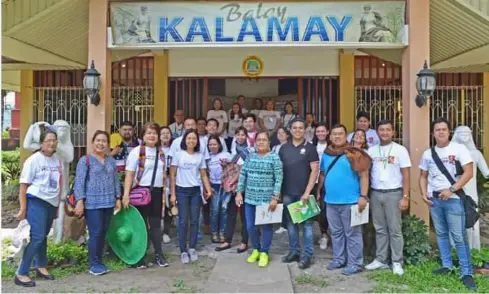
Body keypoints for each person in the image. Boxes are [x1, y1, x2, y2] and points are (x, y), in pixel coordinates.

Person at [419, 118, 476, 290]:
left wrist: (451, 189)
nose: (441, 132)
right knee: (442, 234)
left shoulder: (459, 149)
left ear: (449, 131)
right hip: (435, 200)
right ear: (433, 133)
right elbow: (423, 176)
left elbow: (469, 172)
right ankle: (447, 265)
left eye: (444, 129)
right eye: (437, 130)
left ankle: (466, 272)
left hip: (453, 199)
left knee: (458, 237)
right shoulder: (428, 153)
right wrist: (423, 194)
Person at [317, 124, 371, 276]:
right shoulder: (327, 154)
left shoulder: (354, 153)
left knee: (352, 233)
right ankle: (339, 259)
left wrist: (363, 196)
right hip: (331, 201)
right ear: (330, 136)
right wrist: (319, 191)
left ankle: (355, 263)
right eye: (334, 134)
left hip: (350, 201)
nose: (337, 136)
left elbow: (364, 176)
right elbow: (322, 174)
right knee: (336, 232)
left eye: (340, 134)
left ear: (346, 136)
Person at [15, 129, 62, 287]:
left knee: (44, 235)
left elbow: (59, 183)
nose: (52, 143)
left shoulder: (57, 160)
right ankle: (21, 273)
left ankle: (40, 266)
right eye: (48, 140)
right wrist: (23, 209)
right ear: (42, 143)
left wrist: (56, 206)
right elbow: (23, 186)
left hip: (51, 203)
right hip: (36, 201)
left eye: (54, 140)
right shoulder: (33, 160)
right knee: (38, 237)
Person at [365, 120, 410, 276]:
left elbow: (406, 174)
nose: (384, 132)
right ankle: (381, 259)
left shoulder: (400, 150)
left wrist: (405, 197)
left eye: (388, 130)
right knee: (380, 228)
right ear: (377, 132)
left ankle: (397, 261)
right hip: (376, 193)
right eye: (381, 130)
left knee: (395, 229)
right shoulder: (371, 150)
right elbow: (365, 172)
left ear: (393, 132)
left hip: (393, 193)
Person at [74, 130, 122, 276]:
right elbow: (79, 182)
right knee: (95, 233)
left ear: (108, 144)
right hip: (92, 203)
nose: (101, 143)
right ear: (93, 142)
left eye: (104, 141)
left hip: (108, 202)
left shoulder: (111, 161)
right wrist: (80, 201)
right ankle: (93, 264)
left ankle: (100, 261)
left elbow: (115, 181)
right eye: (98, 140)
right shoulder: (85, 160)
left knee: (103, 232)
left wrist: (118, 197)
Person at [122, 122, 169, 268]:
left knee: (156, 225)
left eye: (154, 133)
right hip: (141, 193)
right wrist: (126, 195)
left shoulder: (161, 152)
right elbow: (129, 174)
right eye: (149, 133)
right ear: (143, 135)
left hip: (157, 192)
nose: (152, 135)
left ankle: (158, 254)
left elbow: (164, 174)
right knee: (140, 225)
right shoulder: (137, 151)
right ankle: (139, 257)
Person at [236, 131, 283, 267]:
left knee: (267, 227)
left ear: (269, 142)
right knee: (250, 226)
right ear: (255, 142)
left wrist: (275, 198)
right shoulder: (251, 157)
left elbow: (279, 179)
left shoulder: (274, 158)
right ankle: (256, 249)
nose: (261, 142)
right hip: (250, 198)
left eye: (264, 140)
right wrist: (239, 192)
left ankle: (264, 252)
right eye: (259, 140)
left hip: (267, 200)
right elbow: (243, 174)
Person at [279, 118, 320, 270]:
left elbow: (315, 171)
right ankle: (294, 252)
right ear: (290, 130)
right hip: (288, 193)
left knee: (307, 226)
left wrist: (307, 192)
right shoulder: (284, 148)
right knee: (291, 224)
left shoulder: (310, 148)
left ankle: (307, 255)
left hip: (304, 194)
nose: (297, 130)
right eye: (294, 128)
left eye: (300, 128)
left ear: (305, 130)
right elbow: (279, 170)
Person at [170, 129, 213, 264]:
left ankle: (192, 248)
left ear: (197, 141)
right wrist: (172, 194)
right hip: (181, 191)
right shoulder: (178, 155)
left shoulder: (199, 156)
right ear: (184, 140)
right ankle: (183, 250)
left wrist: (208, 189)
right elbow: (173, 175)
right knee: (182, 221)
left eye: (194, 138)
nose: (191, 141)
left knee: (195, 220)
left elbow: (203, 174)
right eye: (189, 138)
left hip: (195, 192)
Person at [215, 126, 252, 253]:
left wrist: (236, 177)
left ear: (247, 137)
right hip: (232, 187)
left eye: (243, 135)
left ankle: (244, 242)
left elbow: (247, 167)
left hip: (245, 186)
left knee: (244, 215)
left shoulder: (250, 150)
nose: (240, 137)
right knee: (230, 213)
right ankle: (227, 240)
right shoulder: (230, 149)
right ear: (235, 136)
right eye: (238, 134)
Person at [452, 125, 489, 250]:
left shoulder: (476, 154)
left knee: (472, 219)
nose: (464, 136)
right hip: (454, 192)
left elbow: (486, 172)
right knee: (455, 220)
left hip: (471, 192)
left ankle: (473, 249)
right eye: (461, 133)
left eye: (467, 133)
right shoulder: (451, 152)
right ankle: (455, 249)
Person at [207, 135, 232, 243]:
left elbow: (236, 168)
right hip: (214, 186)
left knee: (224, 209)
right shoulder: (207, 157)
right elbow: (204, 173)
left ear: (219, 145)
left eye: (215, 144)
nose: (213, 146)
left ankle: (222, 232)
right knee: (215, 210)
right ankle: (214, 232)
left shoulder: (226, 155)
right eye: (210, 144)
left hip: (226, 186)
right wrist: (208, 187)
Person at [313, 123, 330, 250]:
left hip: (327, 181)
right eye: (318, 131)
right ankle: (322, 234)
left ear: (327, 132)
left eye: (323, 131)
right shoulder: (311, 146)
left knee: (326, 209)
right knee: (316, 210)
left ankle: (328, 234)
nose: (320, 133)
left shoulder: (332, 147)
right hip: (313, 181)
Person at [272, 127, 290, 235]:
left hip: (288, 176)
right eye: (278, 132)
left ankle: (288, 223)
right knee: (279, 200)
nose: (280, 134)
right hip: (276, 176)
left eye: (283, 132)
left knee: (287, 200)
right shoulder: (275, 147)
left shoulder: (290, 146)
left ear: (287, 135)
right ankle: (282, 224)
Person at [160, 126, 173, 244]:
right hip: (158, 184)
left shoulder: (174, 149)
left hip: (170, 184)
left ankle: (166, 232)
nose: (165, 135)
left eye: (167, 133)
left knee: (169, 209)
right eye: (162, 133)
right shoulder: (155, 149)